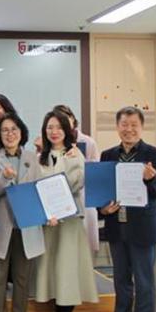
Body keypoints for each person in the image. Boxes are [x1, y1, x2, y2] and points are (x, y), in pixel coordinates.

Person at [98, 106, 156, 312]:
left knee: (144, 282)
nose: (129, 129)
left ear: (141, 127)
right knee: (121, 281)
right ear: (117, 127)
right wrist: (102, 209)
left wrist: (151, 179)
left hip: (143, 229)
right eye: (124, 124)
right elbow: (102, 191)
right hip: (117, 227)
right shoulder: (108, 155)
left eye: (133, 125)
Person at [32, 110, 98, 312]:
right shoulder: (40, 156)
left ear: (67, 130)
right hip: (47, 223)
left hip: (68, 221)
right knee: (51, 268)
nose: (54, 131)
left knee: (67, 268)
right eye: (49, 127)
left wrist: (70, 162)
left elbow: (74, 185)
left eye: (59, 127)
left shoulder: (74, 154)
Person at [0, 112, 45, 312]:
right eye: (5, 130)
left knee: (22, 278)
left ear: (22, 133)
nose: (10, 134)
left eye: (14, 130)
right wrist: (5, 178)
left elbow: (39, 190)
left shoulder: (32, 158)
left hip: (27, 225)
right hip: (2, 227)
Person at [53, 104, 101, 252]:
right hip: (60, 199)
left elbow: (95, 172)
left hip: (84, 197)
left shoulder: (88, 142)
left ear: (73, 119)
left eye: (66, 118)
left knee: (85, 247)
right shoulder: (52, 143)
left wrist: (78, 162)